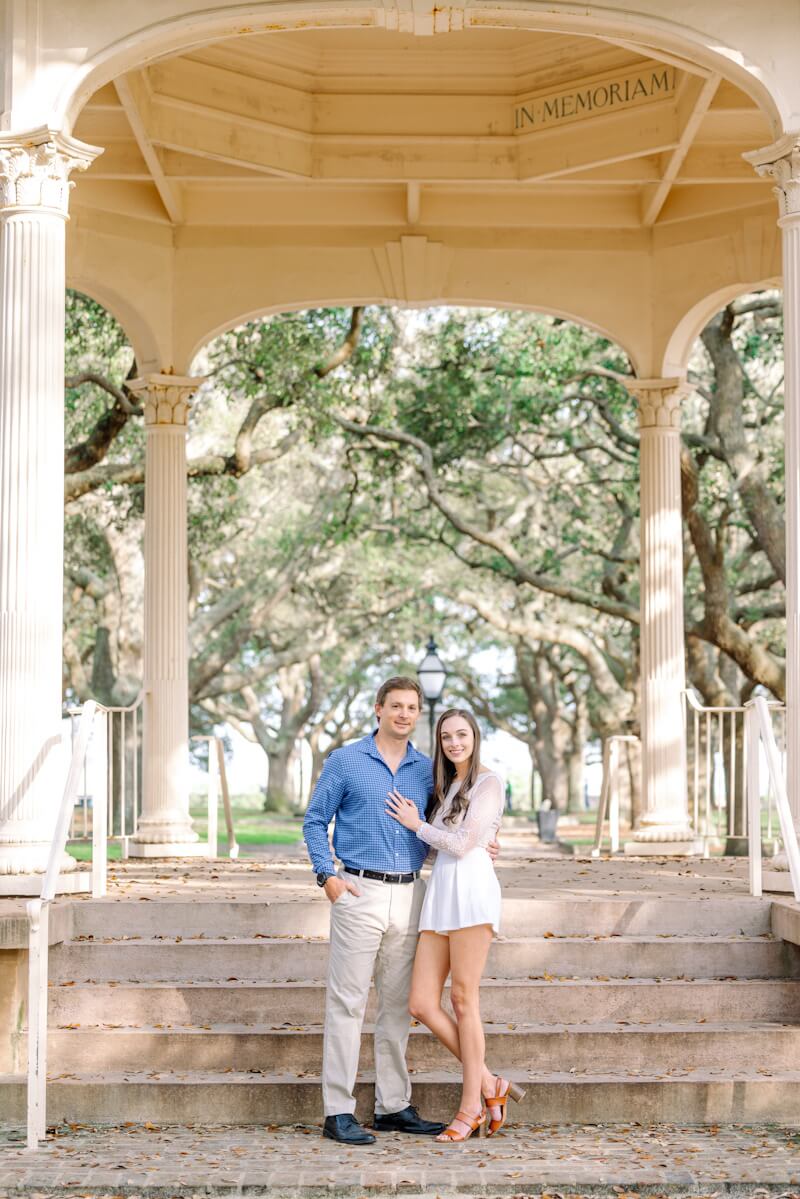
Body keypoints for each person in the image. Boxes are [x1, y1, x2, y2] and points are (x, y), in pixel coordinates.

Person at [303, 676, 499, 1145]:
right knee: (348, 1003)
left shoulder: (426, 771)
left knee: (397, 1007)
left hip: (413, 896)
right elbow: (314, 819)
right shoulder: (346, 762)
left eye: (412, 707)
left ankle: (392, 1106)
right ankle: (338, 1110)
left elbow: (449, 828)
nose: (405, 714)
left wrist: (484, 841)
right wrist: (326, 875)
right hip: (359, 892)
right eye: (396, 706)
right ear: (378, 709)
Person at [386, 707, 525, 1142]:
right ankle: (489, 1083)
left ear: (474, 736)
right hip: (441, 895)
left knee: (464, 1000)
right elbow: (439, 850)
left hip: (472, 896)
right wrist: (416, 830)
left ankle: (471, 1109)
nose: (453, 743)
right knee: (421, 1003)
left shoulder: (489, 782)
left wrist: (418, 824)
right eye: (446, 737)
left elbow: (463, 844)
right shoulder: (447, 788)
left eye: (461, 735)